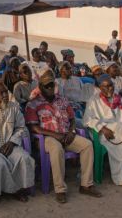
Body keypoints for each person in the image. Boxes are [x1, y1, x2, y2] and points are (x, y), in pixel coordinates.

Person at [25, 70, 101, 203]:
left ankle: (86, 184)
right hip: (46, 137)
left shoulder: (62, 99)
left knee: (87, 145)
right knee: (56, 148)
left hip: (65, 135)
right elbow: (34, 127)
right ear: (41, 87)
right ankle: (60, 189)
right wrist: (56, 135)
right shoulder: (33, 103)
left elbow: (72, 118)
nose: (50, 88)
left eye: (52, 85)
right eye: (47, 86)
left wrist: (71, 132)